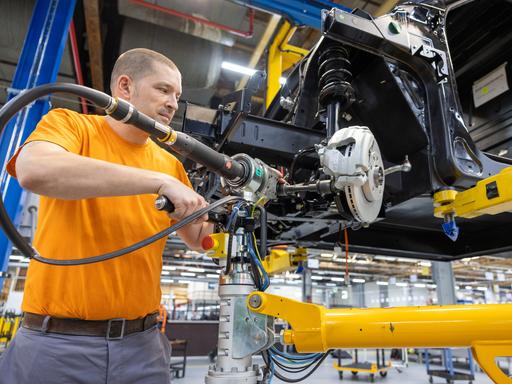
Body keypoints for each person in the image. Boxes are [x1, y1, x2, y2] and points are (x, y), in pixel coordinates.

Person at [0, 48, 213, 383]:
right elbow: (34, 170)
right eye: (163, 89)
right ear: (125, 87)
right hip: (56, 347)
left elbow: (199, 239)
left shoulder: (170, 164)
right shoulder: (71, 125)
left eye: (177, 95)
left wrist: (233, 200)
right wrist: (158, 182)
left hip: (143, 348)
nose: (173, 102)